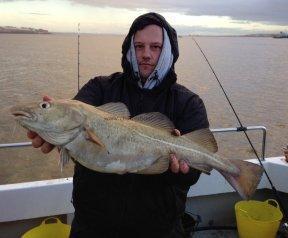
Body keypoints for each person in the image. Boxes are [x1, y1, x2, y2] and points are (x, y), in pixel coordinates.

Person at [27, 12, 210, 237]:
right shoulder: (99, 87)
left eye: (156, 47)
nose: (146, 54)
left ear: (168, 52)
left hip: (159, 228)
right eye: (139, 46)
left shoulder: (188, 103)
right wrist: (53, 127)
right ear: (129, 48)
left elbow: (192, 176)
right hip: (93, 225)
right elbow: (77, 116)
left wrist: (178, 170)